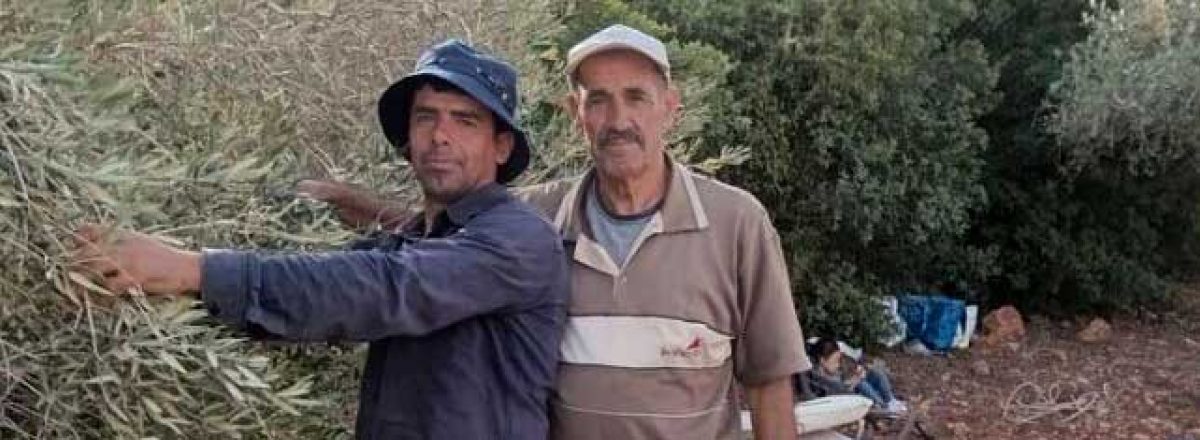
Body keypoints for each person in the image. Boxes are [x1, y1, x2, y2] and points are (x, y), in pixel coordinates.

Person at [299, 25, 812, 440]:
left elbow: (769, 384)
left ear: (670, 108)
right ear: (575, 115)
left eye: (637, 97)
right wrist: (342, 202)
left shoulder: (736, 223)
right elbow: (429, 242)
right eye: (598, 101)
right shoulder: (532, 219)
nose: (618, 119)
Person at [73, 40, 569, 440]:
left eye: (465, 121)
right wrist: (165, 286)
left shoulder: (518, 240)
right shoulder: (415, 238)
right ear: (407, 137)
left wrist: (192, 268)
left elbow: (383, 288)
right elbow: (327, 295)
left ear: (501, 146)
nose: (441, 135)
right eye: (426, 116)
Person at [803, 337, 907, 415]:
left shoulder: (831, 370)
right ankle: (883, 407)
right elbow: (840, 389)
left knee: (875, 373)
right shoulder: (819, 376)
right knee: (862, 384)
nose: (838, 364)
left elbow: (844, 380)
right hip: (845, 397)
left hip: (849, 388)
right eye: (835, 361)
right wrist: (857, 379)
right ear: (822, 360)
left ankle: (891, 400)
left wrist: (858, 373)